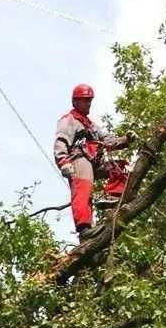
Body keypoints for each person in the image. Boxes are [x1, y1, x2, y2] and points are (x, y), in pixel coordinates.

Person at [54, 84, 131, 241]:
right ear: (75, 102)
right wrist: (63, 162)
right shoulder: (69, 120)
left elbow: (107, 140)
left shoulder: (91, 125)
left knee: (120, 166)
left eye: (89, 100)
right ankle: (84, 228)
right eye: (84, 100)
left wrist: (125, 140)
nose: (88, 103)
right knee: (83, 190)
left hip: (94, 161)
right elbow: (61, 140)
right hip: (78, 159)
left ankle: (114, 196)